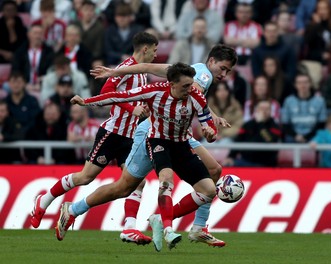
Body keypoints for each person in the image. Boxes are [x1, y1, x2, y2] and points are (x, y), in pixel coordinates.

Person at [83, 44, 237, 247]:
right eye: (223, 68)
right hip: (157, 130)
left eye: (228, 71)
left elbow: (147, 67)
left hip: (177, 132)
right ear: (211, 62)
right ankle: (79, 208)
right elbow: (194, 93)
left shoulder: (192, 69)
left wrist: (114, 71)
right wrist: (207, 121)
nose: (224, 74)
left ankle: (197, 227)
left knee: (214, 170)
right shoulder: (204, 76)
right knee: (126, 186)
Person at [58, 63, 218, 253]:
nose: (190, 89)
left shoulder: (195, 96)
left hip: (181, 143)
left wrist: (210, 132)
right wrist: (87, 102)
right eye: (185, 86)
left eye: (191, 85)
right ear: (172, 84)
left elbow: (208, 122)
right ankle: (74, 210)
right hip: (153, 139)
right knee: (125, 187)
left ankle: (167, 224)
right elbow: (119, 96)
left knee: (209, 187)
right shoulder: (155, 91)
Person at [30, 32, 158, 247]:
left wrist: (143, 110)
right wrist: (131, 108)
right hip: (112, 133)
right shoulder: (126, 68)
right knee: (85, 177)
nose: (156, 54)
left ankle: (129, 228)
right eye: (154, 49)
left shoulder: (142, 73)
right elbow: (107, 91)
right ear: (145, 49)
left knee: (138, 181)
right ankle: (44, 201)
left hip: (130, 136)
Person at [223, 100, 281, 167]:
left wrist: (260, 124)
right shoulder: (248, 125)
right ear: (256, 110)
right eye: (262, 108)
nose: (264, 111)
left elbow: (270, 141)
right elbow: (238, 140)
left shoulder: (275, 126)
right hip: (245, 161)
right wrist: (231, 156)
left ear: (271, 111)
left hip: (266, 164)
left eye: (267, 109)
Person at [281, 73, 326, 143]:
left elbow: (321, 124)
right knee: (288, 139)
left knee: (319, 138)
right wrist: (296, 135)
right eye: (299, 83)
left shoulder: (320, 101)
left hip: (312, 136)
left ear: (310, 84)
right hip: (293, 136)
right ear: (295, 85)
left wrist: (306, 136)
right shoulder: (288, 101)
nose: (303, 85)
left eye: (305, 82)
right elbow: (285, 124)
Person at [0, 99, 24, 163]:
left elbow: (19, 136)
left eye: (2, 111)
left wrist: (4, 137)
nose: (0, 114)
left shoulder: (13, 122)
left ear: (7, 112)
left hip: (12, 159)